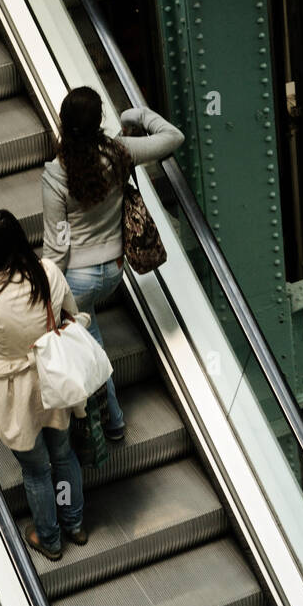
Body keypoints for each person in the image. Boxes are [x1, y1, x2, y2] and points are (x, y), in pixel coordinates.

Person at [41, 87, 184, 443]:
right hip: (115, 270)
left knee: (89, 350)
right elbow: (173, 137)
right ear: (99, 120)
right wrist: (136, 116)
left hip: (79, 278)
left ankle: (113, 423)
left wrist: (45, 288)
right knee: (91, 340)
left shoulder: (57, 175)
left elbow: (57, 245)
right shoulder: (120, 153)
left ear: (63, 122)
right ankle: (113, 420)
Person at [0, 209, 87, 561]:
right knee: (63, 455)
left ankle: (49, 538)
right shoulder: (47, 272)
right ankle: (74, 523)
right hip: (53, 379)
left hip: (13, 392)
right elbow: (71, 313)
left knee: (35, 470)